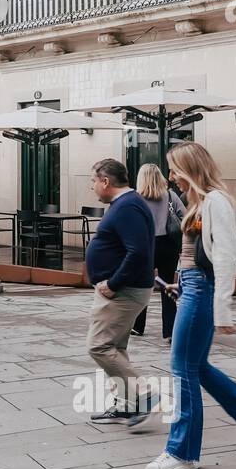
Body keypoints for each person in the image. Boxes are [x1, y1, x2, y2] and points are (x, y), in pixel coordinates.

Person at [145, 142, 236, 469]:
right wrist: (181, 280)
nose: (172, 176)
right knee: (198, 367)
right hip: (193, 288)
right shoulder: (201, 202)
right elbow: (198, 254)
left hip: (202, 292)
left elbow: (225, 257)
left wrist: (222, 309)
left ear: (191, 169)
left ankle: (182, 452)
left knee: (182, 369)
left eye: (175, 169)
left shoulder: (216, 201)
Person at [82, 158, 157, 425]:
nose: (92, 187)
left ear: (105, 181)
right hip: (125, 289)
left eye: (93, 181)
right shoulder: (127, 204)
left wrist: (113, 283)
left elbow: (138, 251)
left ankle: (144, 393)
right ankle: (127, 404)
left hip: (122, 291)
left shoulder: (127, 206)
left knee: (99, 346)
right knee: (115, 347)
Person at [132, 163, 185, 344]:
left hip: (146, 245)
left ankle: (138, 326)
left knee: (142, 287)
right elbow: (184, 217)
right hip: (168, 245)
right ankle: (170, 331)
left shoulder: (136, 198)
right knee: (167, 287)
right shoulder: (170, 195)